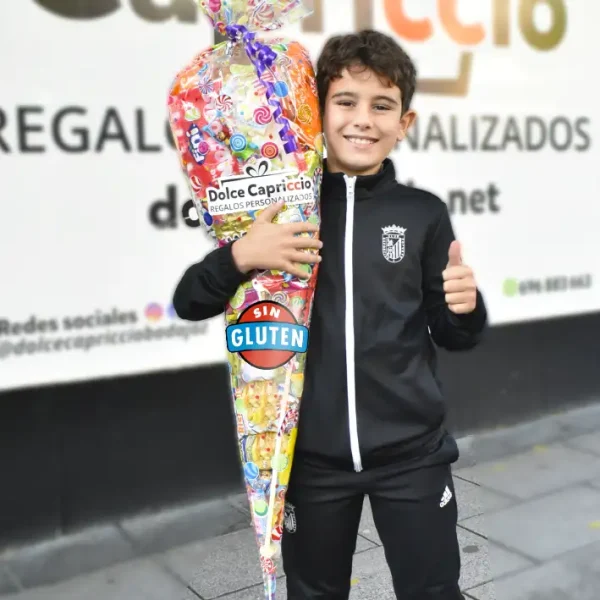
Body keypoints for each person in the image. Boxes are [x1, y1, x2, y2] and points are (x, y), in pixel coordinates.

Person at [173, 29, 487, 600]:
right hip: (309, 461)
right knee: (314, 592)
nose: (363, 119)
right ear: (314, 115)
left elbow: (451, 331)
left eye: (382, 105)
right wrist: (240, 255)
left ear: (404, 124)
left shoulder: (422, 214)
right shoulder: (278, 210)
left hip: (413, 455)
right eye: (345, 101)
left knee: (434, 589)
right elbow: (189, 300)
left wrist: (466, 307)